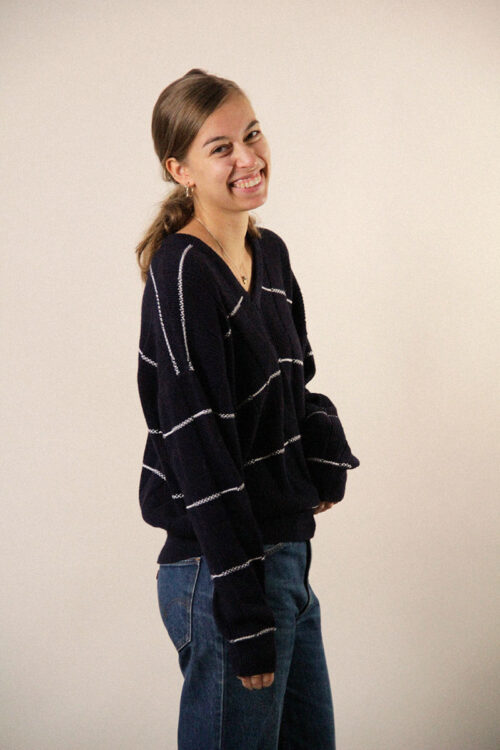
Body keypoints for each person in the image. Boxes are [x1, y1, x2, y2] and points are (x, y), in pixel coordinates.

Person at [135, 68, 360, 750]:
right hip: (222, 570)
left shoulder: (271, 254)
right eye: (220, 147)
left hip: (285, 557)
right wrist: (242, 612)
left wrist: (323, 455)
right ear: (180, 170)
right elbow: (196, 443)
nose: (248, 157)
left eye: (252, 134)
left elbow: (298, 381)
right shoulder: (182, 271)